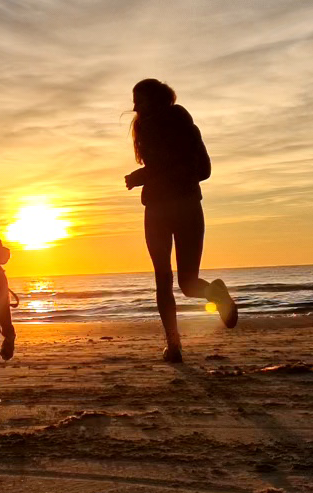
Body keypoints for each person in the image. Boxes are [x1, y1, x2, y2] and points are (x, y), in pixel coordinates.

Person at [124, 78, 237, 363]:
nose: (135, 107)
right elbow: (203, 170)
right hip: (189, 206)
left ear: (156, 99)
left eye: (139, 100)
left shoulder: (151, 126)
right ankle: (215, 294)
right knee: (187, 283)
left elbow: (169, 165)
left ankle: (174, 346)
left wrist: (143, 176)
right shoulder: (187, 126)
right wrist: (156, 175)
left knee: (164, 279)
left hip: (160, 210)